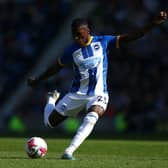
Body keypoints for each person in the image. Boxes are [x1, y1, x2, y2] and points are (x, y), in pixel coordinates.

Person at [27, 11, 167, 160]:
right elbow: (54, 68)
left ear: (88, 31)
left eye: (79, 34)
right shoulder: (71, 51)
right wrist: (38, 80)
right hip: (77, 93)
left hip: (98, 93)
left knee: (92, 117)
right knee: (50, 123)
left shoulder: (103, 42)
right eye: (74, 35)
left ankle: (69, 151)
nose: (76, 38)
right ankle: (51, 99)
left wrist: (154, 23)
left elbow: (132, 36)